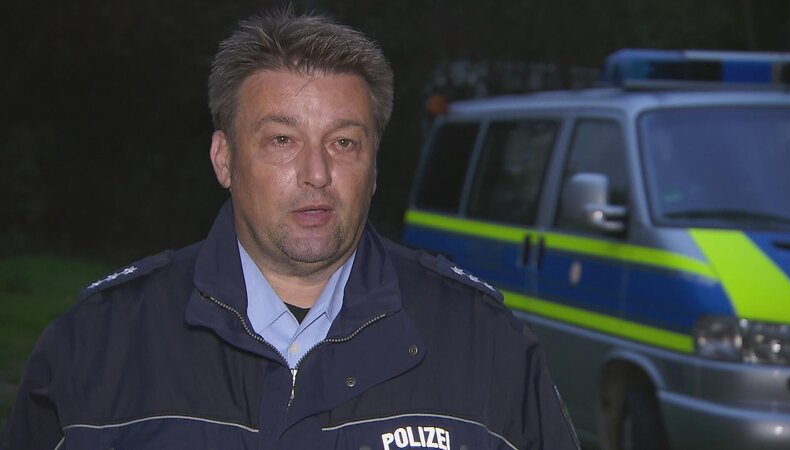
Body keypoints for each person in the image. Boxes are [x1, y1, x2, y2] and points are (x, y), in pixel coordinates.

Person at [1, 9, 580, 450]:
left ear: (374, 168)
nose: (317, 173)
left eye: (344, 143)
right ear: (224, 159)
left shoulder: (487, 346)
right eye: (282, 140)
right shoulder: (97, 346)